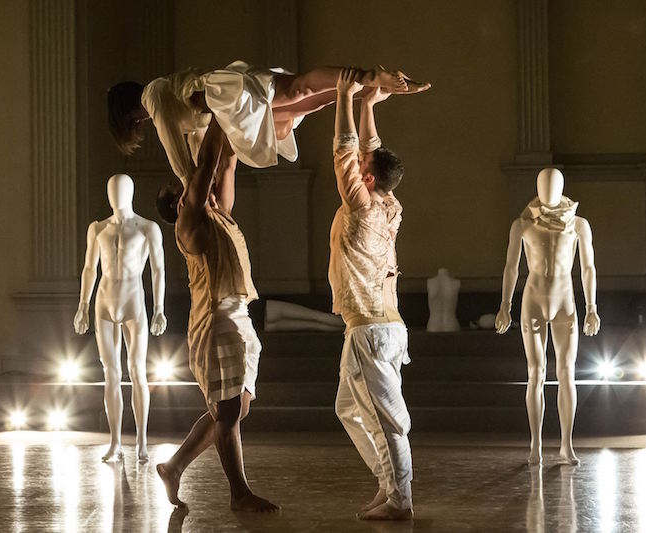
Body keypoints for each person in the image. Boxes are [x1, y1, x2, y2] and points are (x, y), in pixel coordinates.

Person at [155, 115, 278, 512]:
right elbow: (206, 164)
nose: (201, 187)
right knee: (227, 411)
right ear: (181, 202)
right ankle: (239, 493)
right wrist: (218, 112)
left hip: (239, 315)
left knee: (235, 408)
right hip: (216, 320)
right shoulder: (189, 222)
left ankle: (173, 466)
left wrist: (232, 119)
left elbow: (224, 164)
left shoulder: (218, 214)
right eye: (191, 187)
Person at [107, 61, 430, 183]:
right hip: (227, 110)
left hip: (225, 94)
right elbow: (197, 144)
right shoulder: (163, 104)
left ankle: (373, 75)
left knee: (297, 88)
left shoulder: (152, 93)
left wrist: (188, 181)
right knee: (312, 102)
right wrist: (204, 180)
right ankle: (371, 90)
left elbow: (172, 145)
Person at [329, 68, 413, 521]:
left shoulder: (361, 209)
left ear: (367, 178)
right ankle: (389, 485)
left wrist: (345, 94)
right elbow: (367, 154)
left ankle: (400, 497)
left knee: (387, 420)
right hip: (380, 327)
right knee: (348, 407)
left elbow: (346, 153)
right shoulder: (391, 205)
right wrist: (367, 106)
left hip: (372, 330)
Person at [495, 168, 601, 465]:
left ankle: (566, 444)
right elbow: (511, 267)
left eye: (554, 185)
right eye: (544, 185)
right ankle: (536, 445)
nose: (549, 190)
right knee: (536, 373)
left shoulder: (579, 225)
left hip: (565, 300)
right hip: (534, 300)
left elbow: (588, 268)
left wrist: (592, 307)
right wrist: (506, 304)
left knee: (568, 373)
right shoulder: (523, 225)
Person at [74, 174, 167, 463]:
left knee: (137, 371)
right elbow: (90, 268)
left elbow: (158, 270)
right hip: (104, 299)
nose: (117, 194)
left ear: (131, 192)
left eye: (121, 189)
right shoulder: (98, 229)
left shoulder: (147, 228)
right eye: (112, 190)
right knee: (110, 373)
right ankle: (115, 441)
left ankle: (141, 440)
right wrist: (83, 305)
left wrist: (159, 308)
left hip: (133, 300)